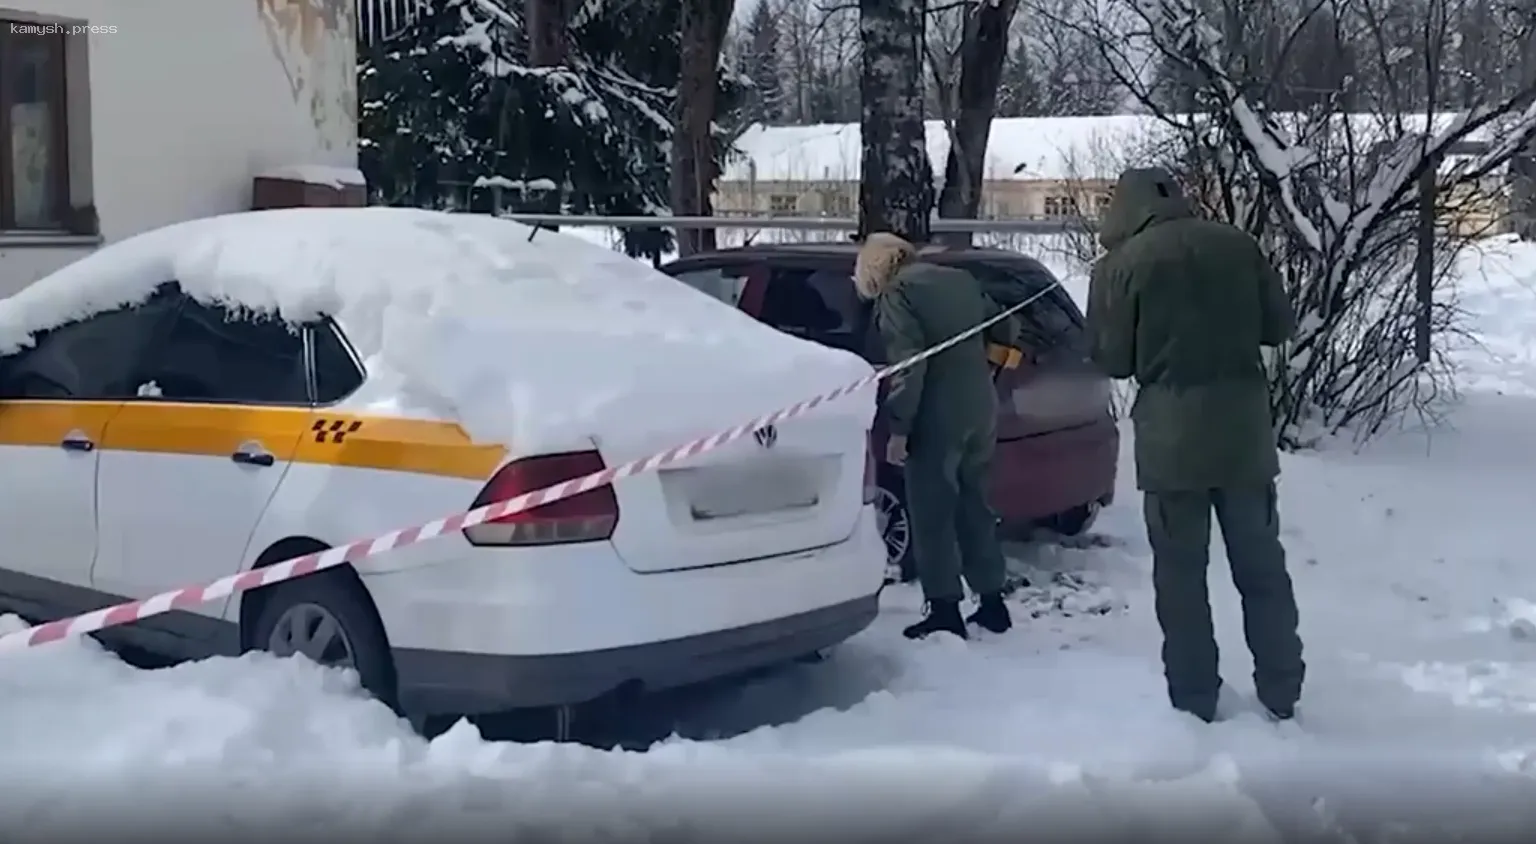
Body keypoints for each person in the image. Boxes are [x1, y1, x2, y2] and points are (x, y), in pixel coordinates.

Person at [1086, 167, 1306, 723]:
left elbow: (1115, 361)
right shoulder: (1239, 244)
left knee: (1181, 575)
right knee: (1262, 568)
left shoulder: (1121, 266)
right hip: (1244, 437)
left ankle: (1194, 698)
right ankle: (1282, 689)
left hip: (1171, 441)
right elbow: (1278, 327)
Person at [855, 232, 1020, 641]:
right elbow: (1009, 327)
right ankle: (992, 601)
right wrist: (987, 369)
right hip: (981, 407)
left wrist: (899, 428)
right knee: (975, 503)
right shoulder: (959, 280)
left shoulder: (897, 295)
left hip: (936, 414)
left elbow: (910, 368)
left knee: (932, 511)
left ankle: (944, 608)